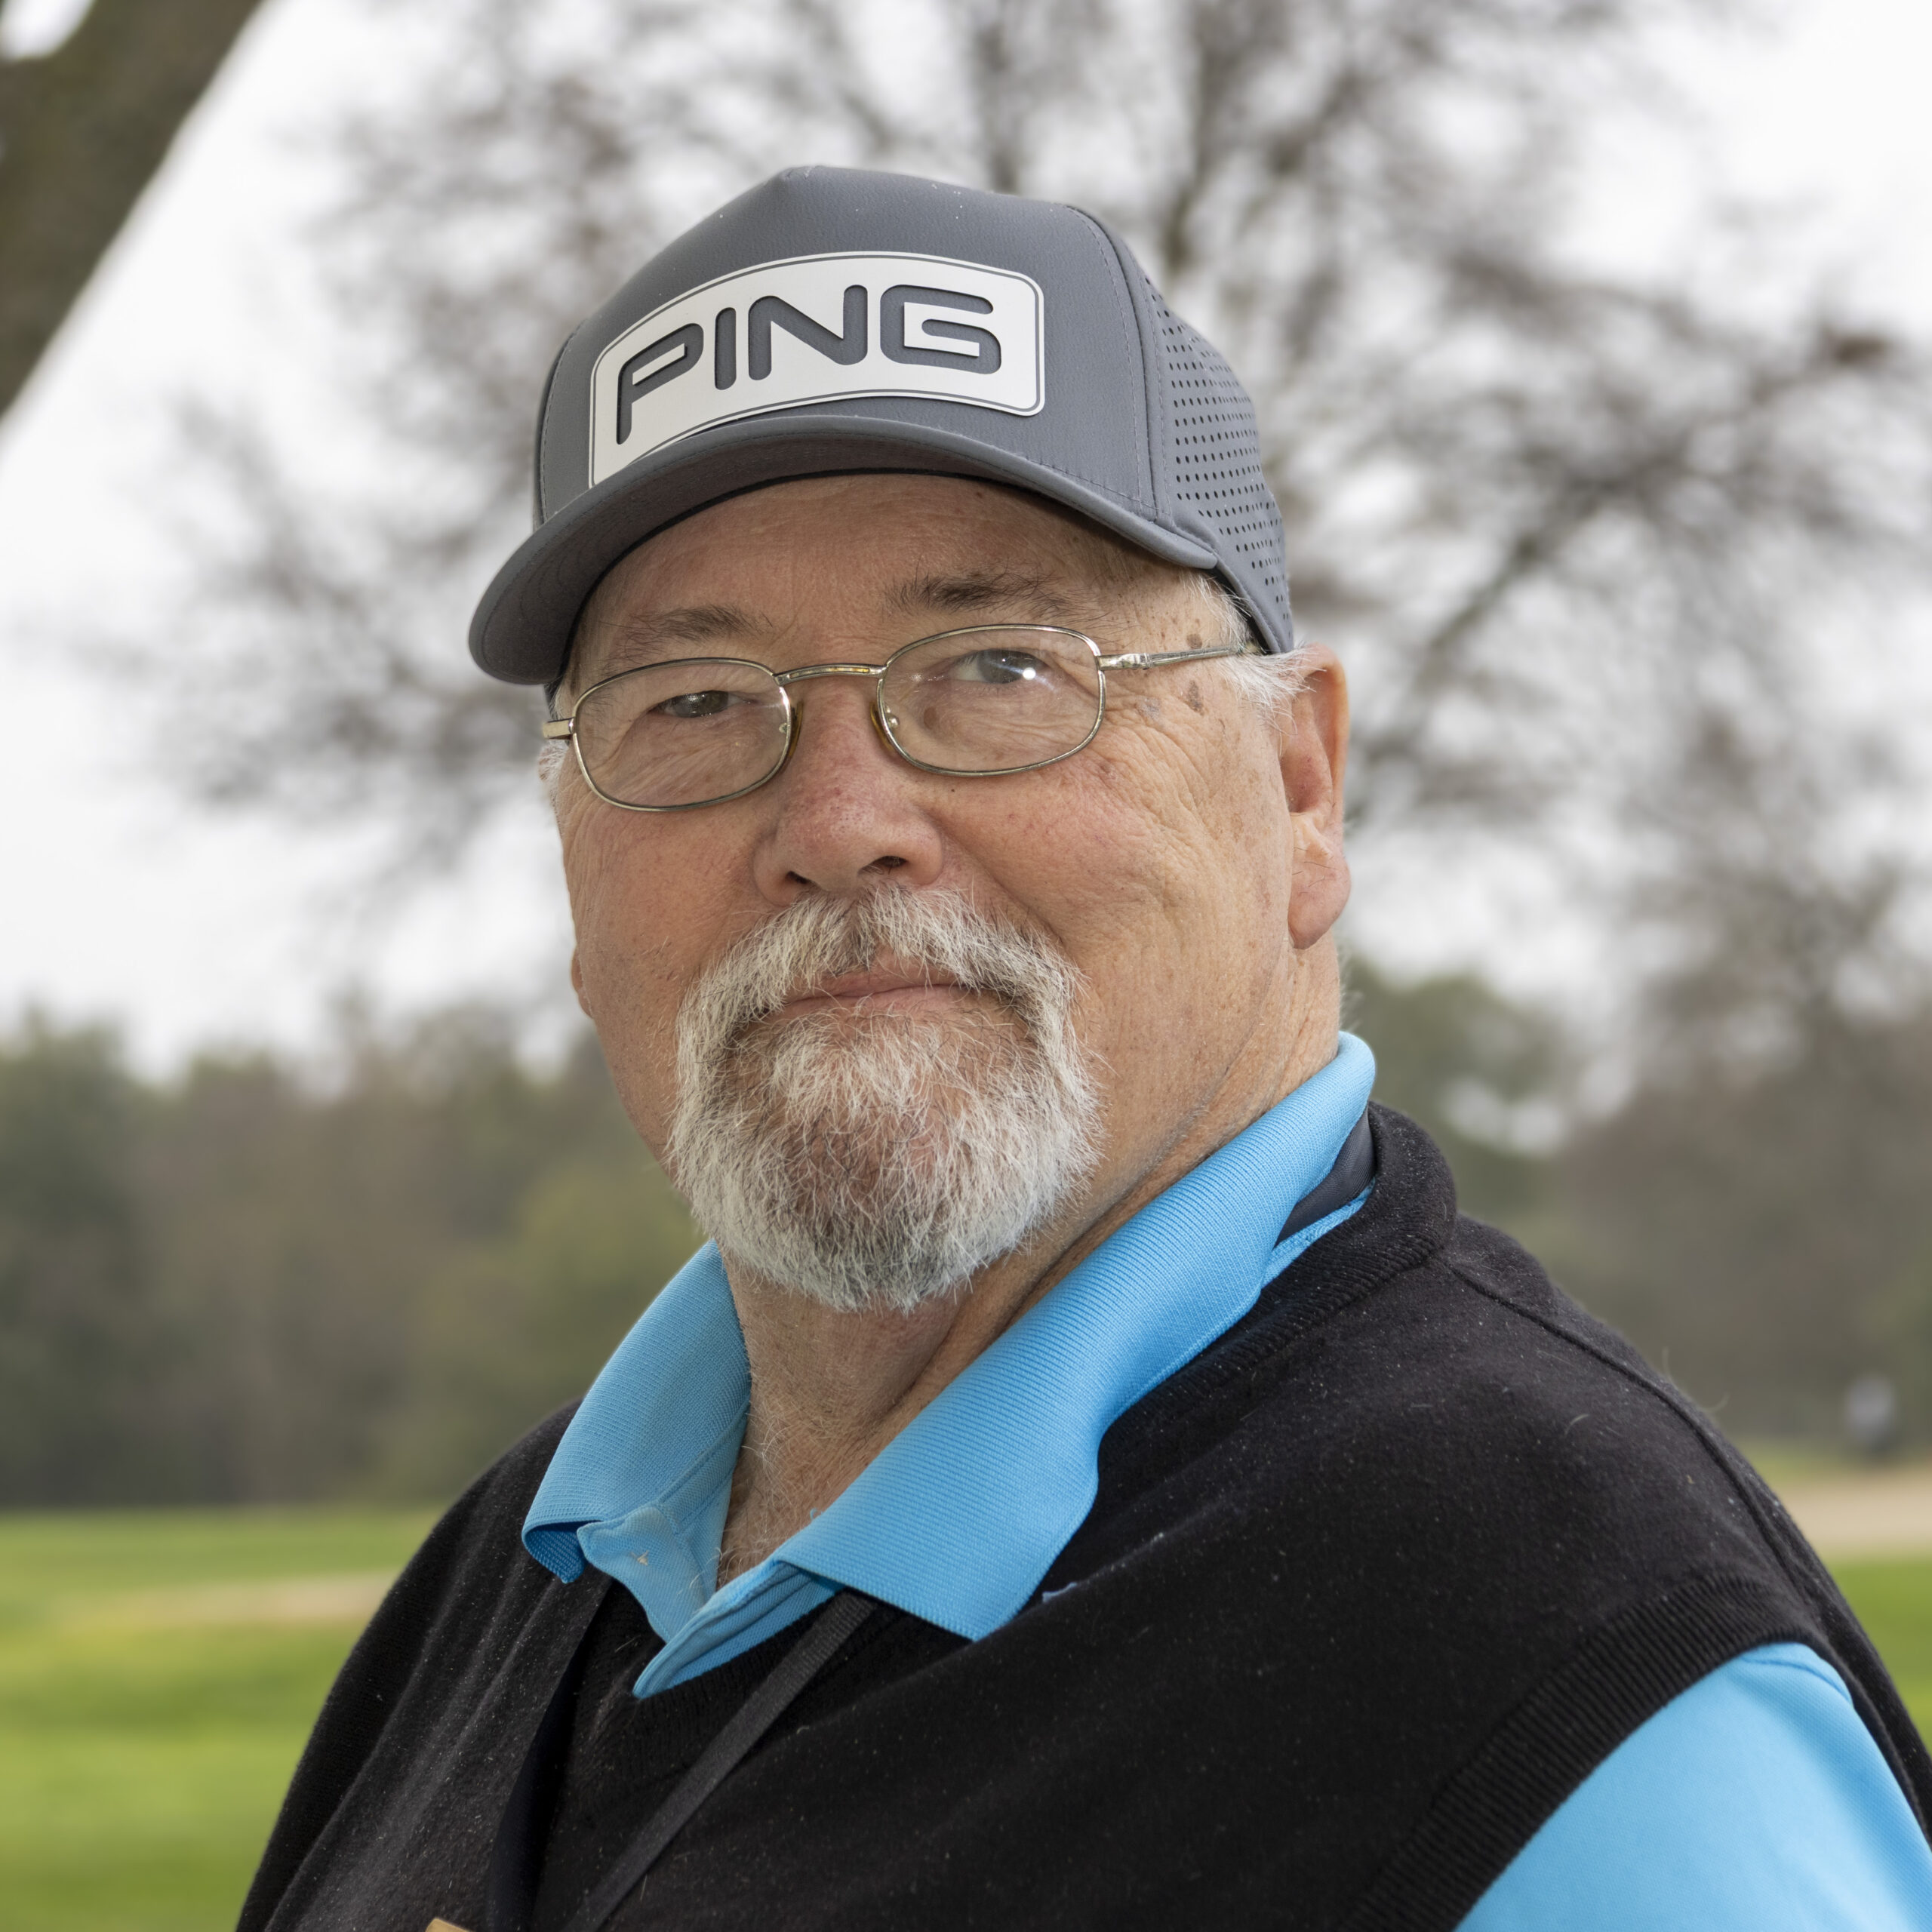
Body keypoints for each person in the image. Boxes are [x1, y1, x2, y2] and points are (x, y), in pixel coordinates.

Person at [238, 168, 1932, 1932]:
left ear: (1297, 787)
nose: (836, 821)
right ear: (573, 862)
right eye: (695, 702)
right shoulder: (512, 1579)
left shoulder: (1575, 1706)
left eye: (995, 668)